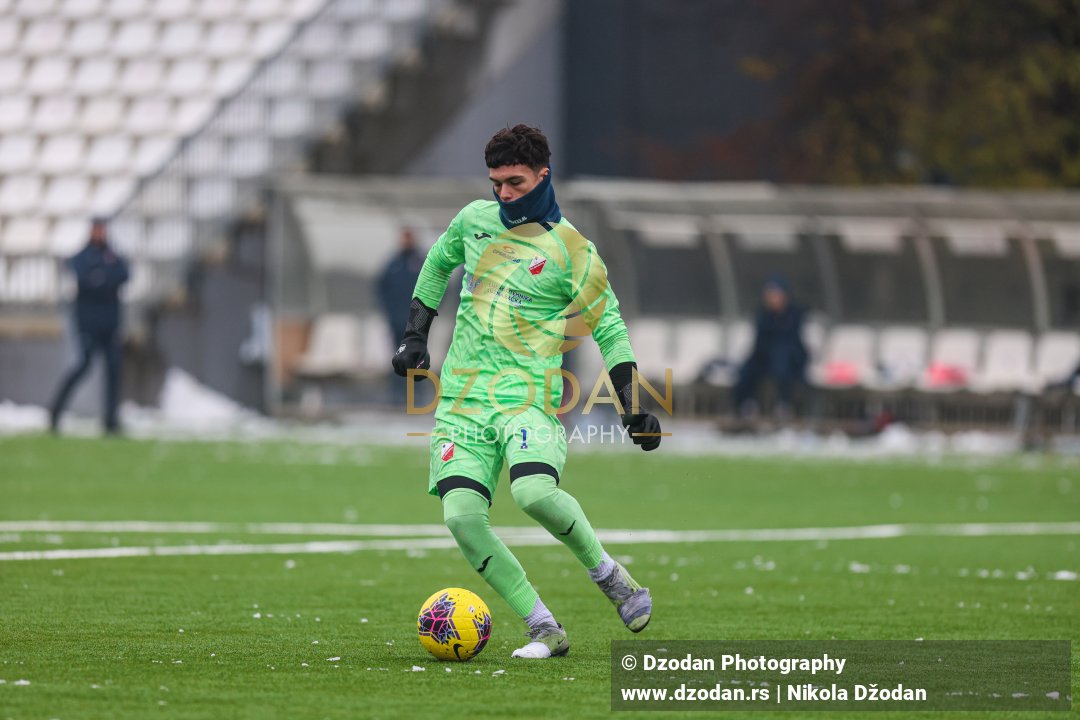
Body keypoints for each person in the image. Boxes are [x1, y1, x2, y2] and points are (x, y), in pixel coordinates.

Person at [391, 124, 662, 659]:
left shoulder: (574, 252)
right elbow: (438, 262)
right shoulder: (473, 220)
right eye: (496, 183)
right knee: (462, 520)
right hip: (462, 403)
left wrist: (632, 404)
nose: (504, 194)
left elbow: (609, 327)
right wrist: (414, 335)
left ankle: (610, 576)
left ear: (543, 174)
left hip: (528, 400)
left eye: (514, 182)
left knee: (534, 494)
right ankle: (543, 627)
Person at [49, 217, 130, 434]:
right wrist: (103, 280)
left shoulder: (113, 255)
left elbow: (124, 275)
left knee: (114, 368)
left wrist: (100, 278)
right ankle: (55, 412)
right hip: (88, 324)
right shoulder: (83, 255)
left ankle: (110, 420)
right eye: (97, 229)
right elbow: (83, 277)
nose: (100, 233)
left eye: (102, 229)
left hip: (110, 324)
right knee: (82, 366)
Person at [732, 276, 808, 417]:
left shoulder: (795, 315)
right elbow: (759, 344)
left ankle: (784, 404)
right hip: (764, 358)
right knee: (746, 370)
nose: (773, 299)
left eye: (776, 294)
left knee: (781, 361)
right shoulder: (762, 315)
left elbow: (794, 344)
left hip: (791, 360)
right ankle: (747, 405)